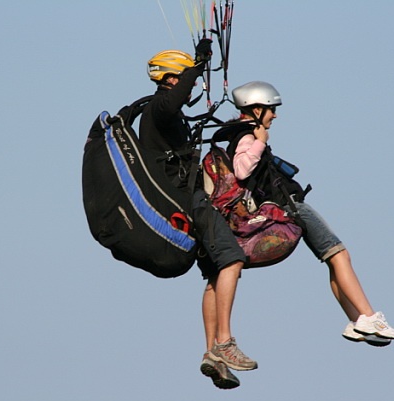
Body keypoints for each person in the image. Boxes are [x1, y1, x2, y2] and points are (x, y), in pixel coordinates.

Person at [219, 81, 394, 346]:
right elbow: (242, 170)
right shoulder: (247, 137)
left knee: (332, 258)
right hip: (291, 207)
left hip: (285, 207)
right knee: (339, 254)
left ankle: (357, 321)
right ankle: (369, 316)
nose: (275, 115)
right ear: (256, 109)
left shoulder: (242, 134)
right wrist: (259, 143)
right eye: (271, 109)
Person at [139, 43, 256, 389]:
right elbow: (174, 100)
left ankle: (211, 354)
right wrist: (199, 65)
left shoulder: (164, 114)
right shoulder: (160, 106)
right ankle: (225, 343)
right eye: (184, 78)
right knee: (232, 258)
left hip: (183, 202)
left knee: (216, 273)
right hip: (190, 201)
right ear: (171, 79)